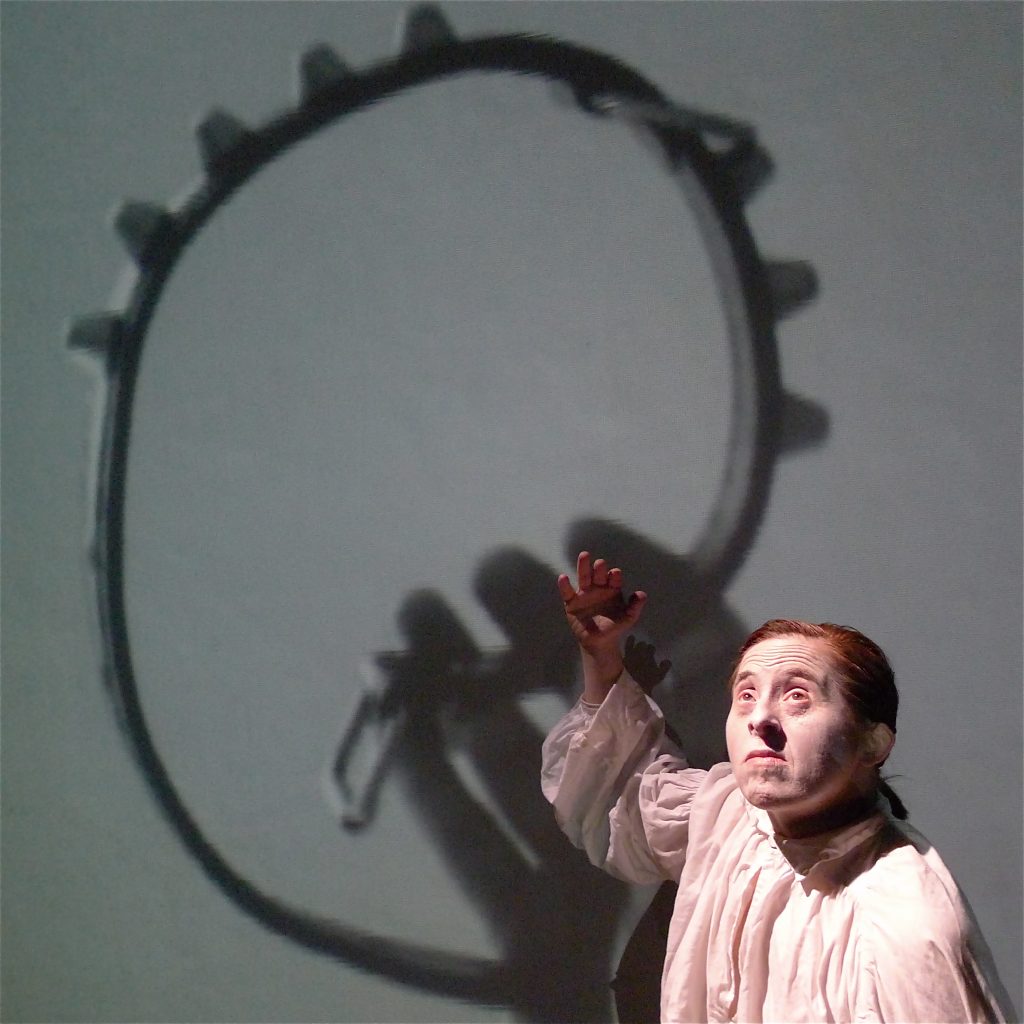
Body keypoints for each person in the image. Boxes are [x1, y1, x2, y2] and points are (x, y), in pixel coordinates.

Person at [542, 552, 1013, 1024]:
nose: (761, 718)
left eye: (797, 697)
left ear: (873, 742)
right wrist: (601, 656)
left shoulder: (901, 920)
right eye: (746, 695)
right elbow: (625, 795)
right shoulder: (727, 816)